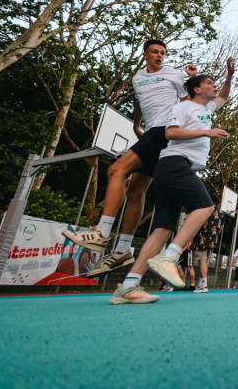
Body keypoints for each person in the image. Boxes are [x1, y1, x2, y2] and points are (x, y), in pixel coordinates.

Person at [67, 40, 198, 277]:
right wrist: (136, 124)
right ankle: (122, 250)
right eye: (155, 52)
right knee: (135, 191)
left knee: (116, 170)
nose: (159, 55)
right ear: (145, 54)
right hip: (151, 132)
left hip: (163, 130)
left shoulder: (174, 75)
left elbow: (188, 102)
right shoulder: (138, 78)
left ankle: (101, 232)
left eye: (163, 53)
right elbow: (138, 101)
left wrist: (192, 79)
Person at [108, 68, 234, 305]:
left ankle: (127, 287)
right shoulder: (182, 107)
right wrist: (206, 132)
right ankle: (170, 256)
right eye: (210, 82)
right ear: (197, 89)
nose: (214, 86)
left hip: (175, 168)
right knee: (205, 206)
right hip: (173, 163)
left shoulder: (207, 108)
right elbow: (171, 133)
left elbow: (224, 97)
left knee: (163, 229)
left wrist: (229, 76)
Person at [189, 203, 225, 293]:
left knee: (202, 260)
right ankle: (201, 283)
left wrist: (191, 239)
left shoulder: (205, 209)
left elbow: (197, 225)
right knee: (205, 262)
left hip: (202, 239)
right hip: (213, 240)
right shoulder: (221, 213)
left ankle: (204, 285)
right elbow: (220, 228)